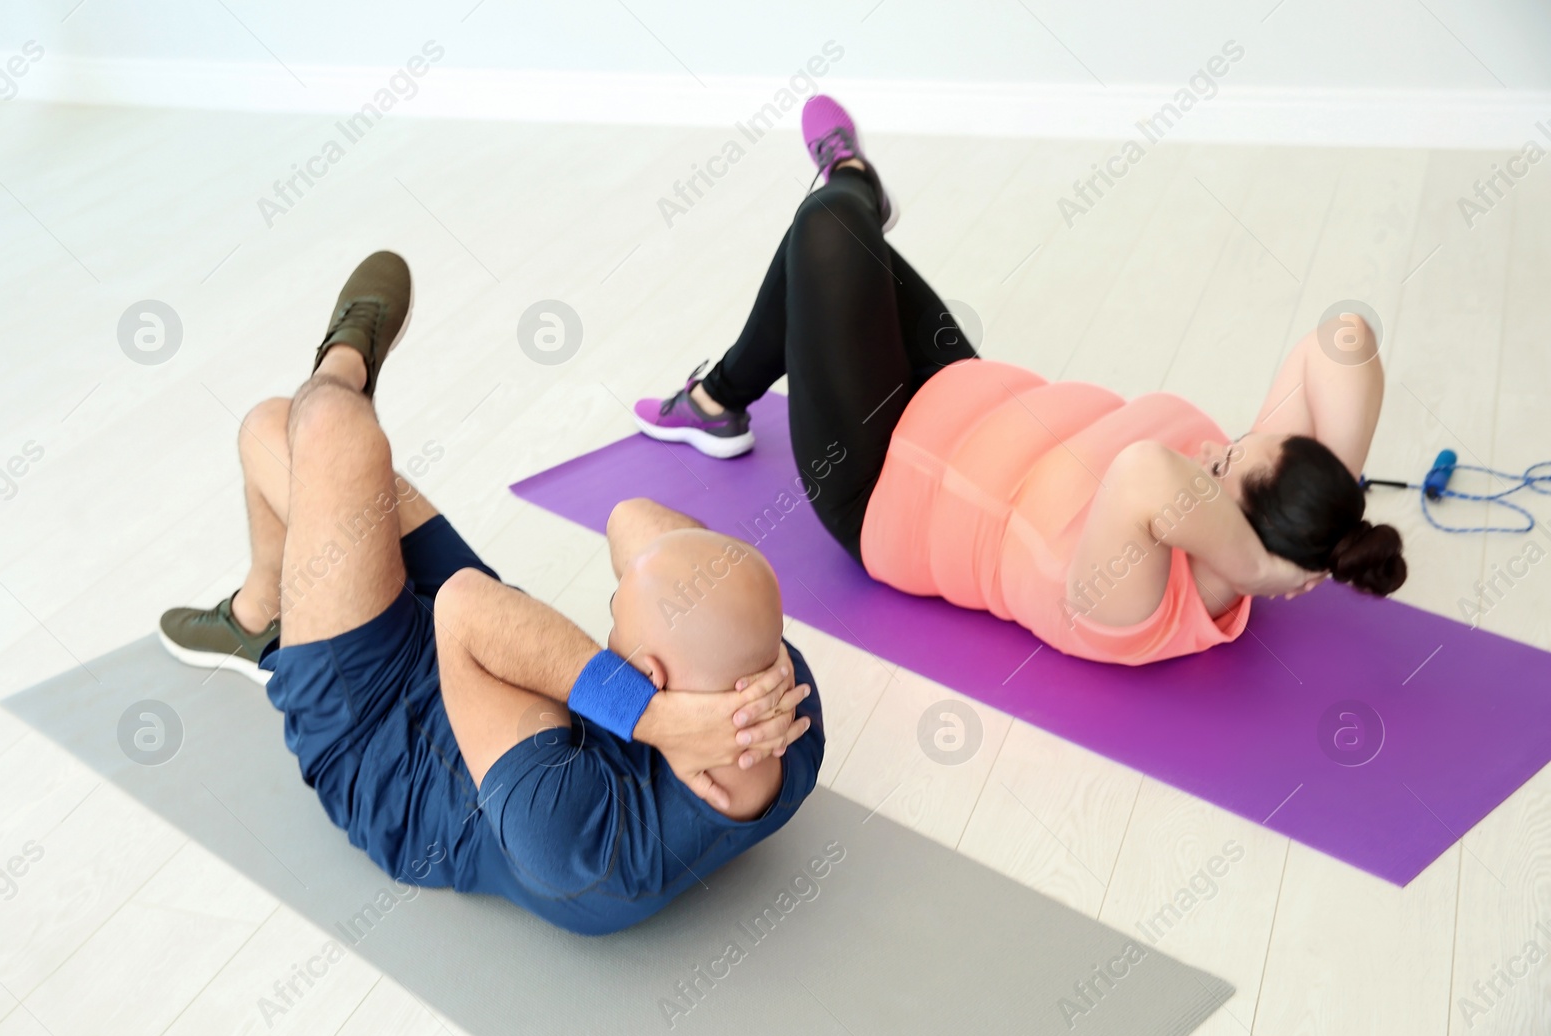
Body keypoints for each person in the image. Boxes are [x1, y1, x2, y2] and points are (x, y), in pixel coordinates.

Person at [157, 251, 822, 934]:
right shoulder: (784, 704)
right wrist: (670, 700)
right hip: (499, 672)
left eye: (619, 615)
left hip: (380, 730)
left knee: (312, 426)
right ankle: (261, 612)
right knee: (280, 432)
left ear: (649, 675)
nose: (610, 606)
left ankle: (341, 370)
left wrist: (648, 717)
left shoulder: (578, 839)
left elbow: (465, 608)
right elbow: (633, 521)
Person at [634, 96, 1406, 667]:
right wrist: (1338, 479)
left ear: (1236, 543)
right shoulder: (1249, 499)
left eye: (1223, 467)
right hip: (959, 382)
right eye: (1237, 450)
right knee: (825, 254)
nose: (1218, 448)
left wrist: (1258, 570)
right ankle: (718, 397)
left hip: (876, 479)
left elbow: (1147, 475)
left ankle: (850, 178)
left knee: (829, 231)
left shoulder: (1135, 604)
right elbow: (1340, 340)